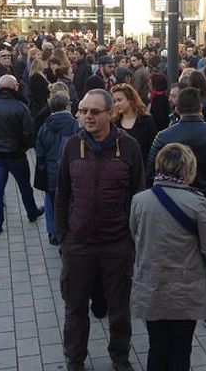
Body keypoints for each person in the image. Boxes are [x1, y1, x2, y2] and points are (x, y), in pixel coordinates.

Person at [55, 89, 144, 371]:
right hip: (78, 244)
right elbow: (61, 194)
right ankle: (75, 360)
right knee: (75, 308)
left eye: (94, 111)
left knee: (119, 309)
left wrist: (132, 240)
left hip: (116, 244)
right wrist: (63, 237)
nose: (88, 116)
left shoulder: (129, 147)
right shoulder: (71, 146)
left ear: (110, 114)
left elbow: (138, 194)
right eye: (83, 111)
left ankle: (120, 358)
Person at [130, 143, 206, 371]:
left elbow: (134, 237)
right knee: (181, 348)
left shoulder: (139, 200)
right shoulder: (197, 202)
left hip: (150, 286)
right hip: (186, 289)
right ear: (187, 169)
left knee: (157, 346)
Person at [147, 87, 206, 328]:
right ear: (201, 108)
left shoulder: (164, 136)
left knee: (169, 249)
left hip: (168, 202)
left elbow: (149, 171)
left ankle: (171, 302)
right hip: (204, 199)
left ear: (177, 109)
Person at [0, 75, 44, 236]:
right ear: (15, 87)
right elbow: (28, 134)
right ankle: (32, 212)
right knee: (24, 186)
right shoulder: (21, 107)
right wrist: (23, 147)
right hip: (16, 155)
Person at [34, 94, 78, 245]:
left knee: (51, 203)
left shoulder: (45, 127)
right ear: (67, 106)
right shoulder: (74, 125)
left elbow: (39, 152)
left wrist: (42, 169)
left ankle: (53, 232)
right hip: (70, 173)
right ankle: (68, 231)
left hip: (50, 173)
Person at [111, 83, 158, 166]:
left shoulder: (146, 122)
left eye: (119, 100)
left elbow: (154, 149)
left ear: (130, 99)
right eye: (114, 101)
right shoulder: (114, 123)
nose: (116, 104)